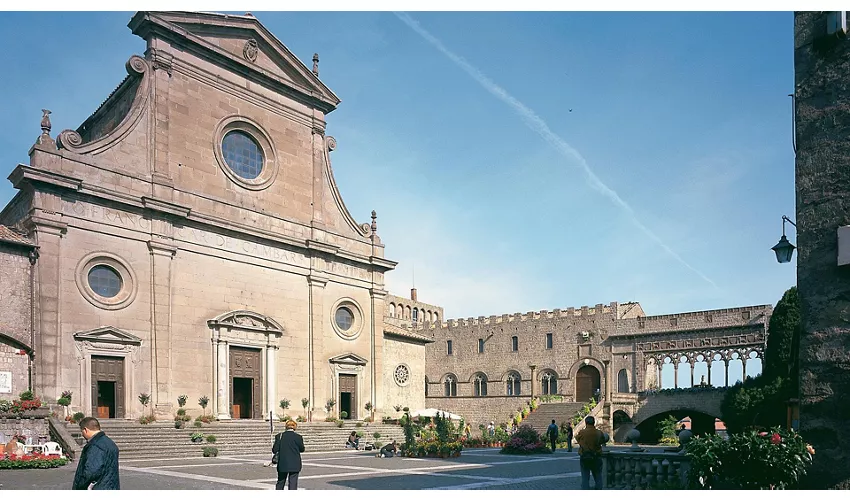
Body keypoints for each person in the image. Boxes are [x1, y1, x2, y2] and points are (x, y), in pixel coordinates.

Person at [72, 417, 120, 490]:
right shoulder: (110, 443)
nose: (82, 434)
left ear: (85, 430)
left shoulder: (96, 446)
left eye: (82, 431)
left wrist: (79, 486)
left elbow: (90, 472)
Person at [272, 420, 305, 490]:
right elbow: (302, 449)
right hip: (295, 463)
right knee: (293, 483)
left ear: (286, 427)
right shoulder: (298, 437)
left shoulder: (279, 436)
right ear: (295, 427)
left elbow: (274, 450)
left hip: (282, 463)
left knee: (280, 482)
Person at [575, 416, 604, 490]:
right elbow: (602, 441)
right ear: (594, 423)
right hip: (596, 456)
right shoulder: (599, 432)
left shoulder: (582, 432)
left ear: (586, 423)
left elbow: (577, 439)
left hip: (585, 456)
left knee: (585, 477)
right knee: (598, 476)